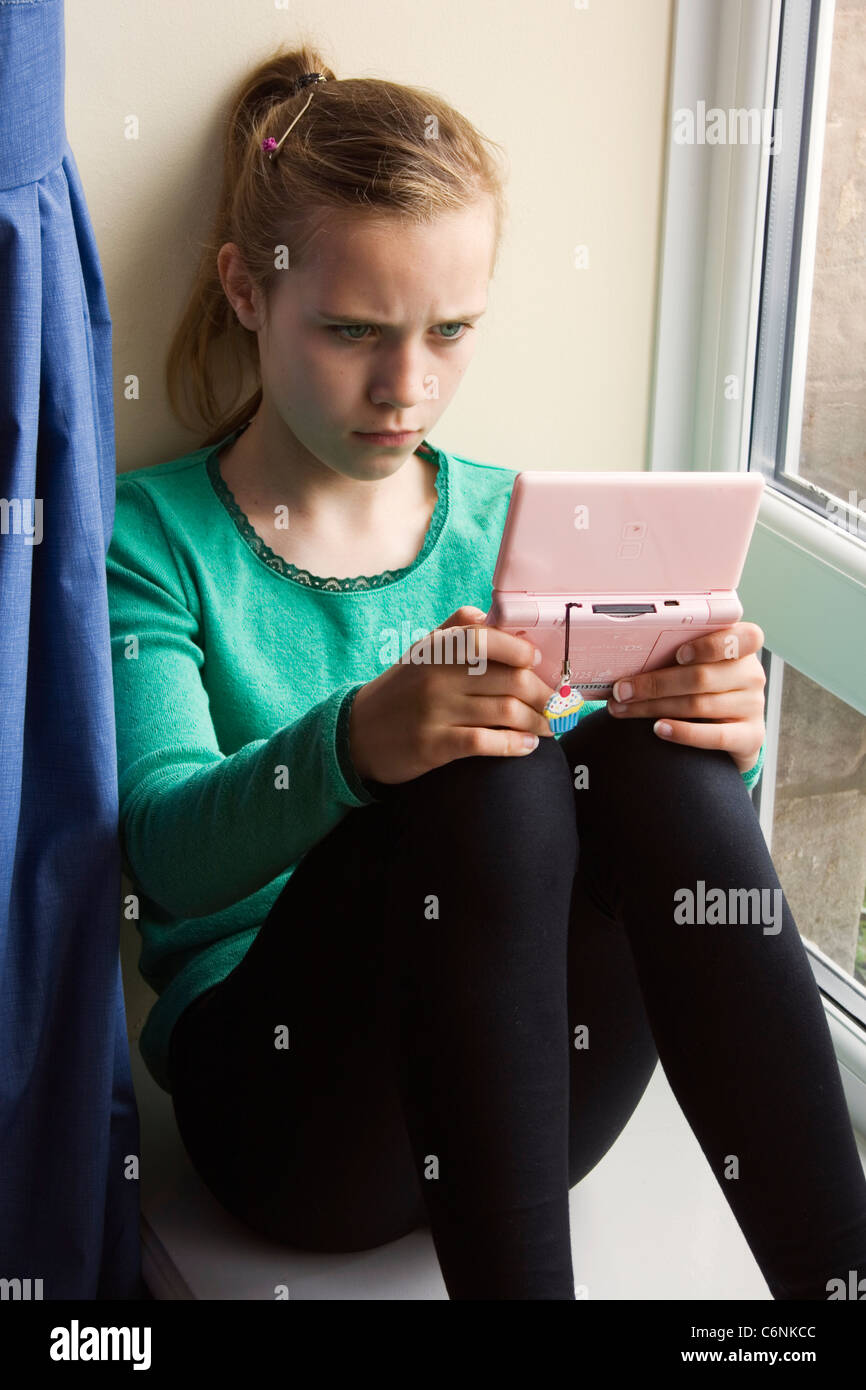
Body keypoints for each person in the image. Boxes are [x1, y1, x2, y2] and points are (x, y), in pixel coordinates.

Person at [107, 43, 866, 1301]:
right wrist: (355, 743)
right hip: (300, 1122)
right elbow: (158, 856)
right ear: (246, 291)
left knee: (635, 759)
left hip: (529, 1097)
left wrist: (722, 744)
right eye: (351, 331)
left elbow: (657, 857)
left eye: (449, 332)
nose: (407, 387)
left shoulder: (517, 518)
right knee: (485, 782)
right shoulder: (154, 539)